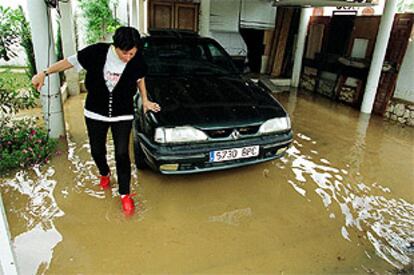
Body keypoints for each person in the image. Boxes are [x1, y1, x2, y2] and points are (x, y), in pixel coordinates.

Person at [32, 26, 161, 216]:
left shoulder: (137, 59)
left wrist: (146, 100)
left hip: (123, 114)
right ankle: (104, 173)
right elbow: (69, 62)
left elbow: (140, 78)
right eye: (125, 53)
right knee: (96, 150)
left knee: (122, 153)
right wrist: (45, 73)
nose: (128, 57)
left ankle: (125, 194)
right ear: (115, 46)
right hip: (95, 113)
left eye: (132, 53)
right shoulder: (96, 52)